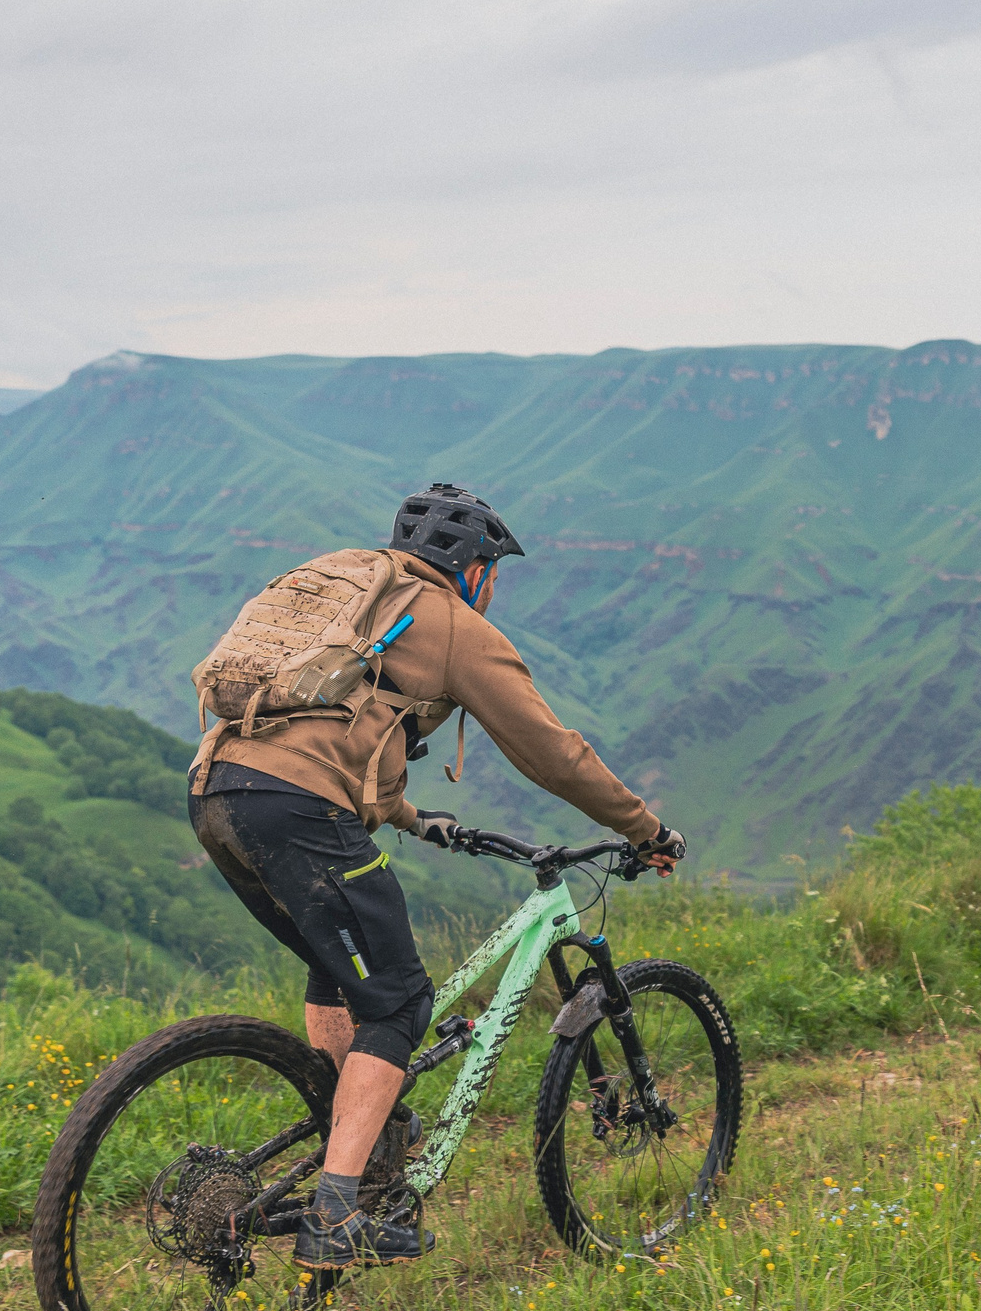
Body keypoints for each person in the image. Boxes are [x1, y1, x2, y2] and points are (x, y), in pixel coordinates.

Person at [185, 483, 684, 1267]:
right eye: (493, 572)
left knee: (339, 971)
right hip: (300, 811)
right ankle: (338, 1212)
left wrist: (415, 818)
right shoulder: (453, 624)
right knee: (402, 1000)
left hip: (216, 791)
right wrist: (644, 828)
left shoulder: (350, 583)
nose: (494, 588)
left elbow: (335, 723)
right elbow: (553, 753)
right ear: (474, 566)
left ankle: (362, 1134)